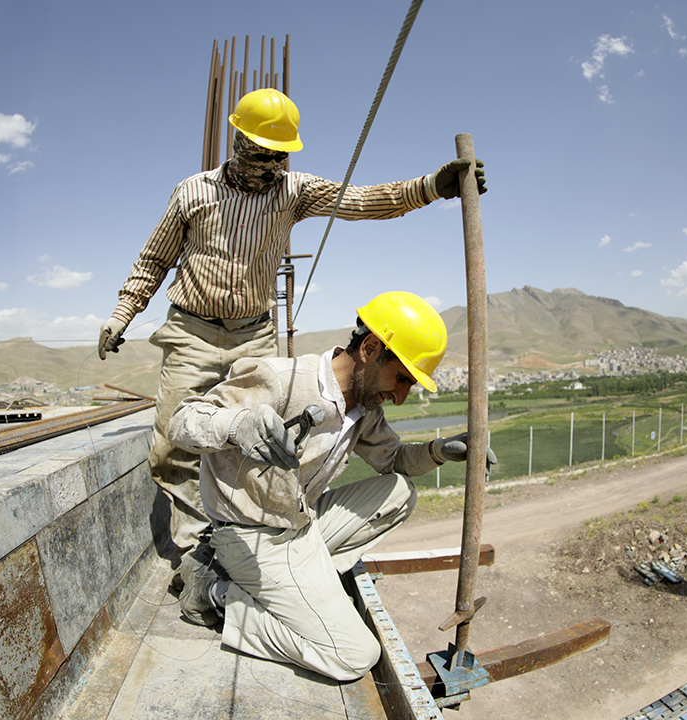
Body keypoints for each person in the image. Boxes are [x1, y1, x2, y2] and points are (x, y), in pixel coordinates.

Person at [97, 88, 487, 557]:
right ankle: (193, 554)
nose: (269, 165)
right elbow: (154, 260)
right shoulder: (192, 191)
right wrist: (123, 314)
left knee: (266, 438)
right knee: (172, 450)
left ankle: (249, 538)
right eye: (261, 153)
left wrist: (430, 187)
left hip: (255, 336)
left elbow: (360, 201)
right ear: (238, 139)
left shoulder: (293, 191)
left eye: (278, 156)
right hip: (193, 333)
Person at [167, 291, 496, 682]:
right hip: (251, 536)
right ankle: (215, 594)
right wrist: (238, 427)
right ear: (370, 348)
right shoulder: (281, 380)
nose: (402, 397)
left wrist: (440, 451)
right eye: (402, 378)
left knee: (399, 492)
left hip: (298, 524)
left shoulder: (363, 410)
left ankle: (304, 580)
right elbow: (183, 420)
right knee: (354, 654)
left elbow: (393, 462)